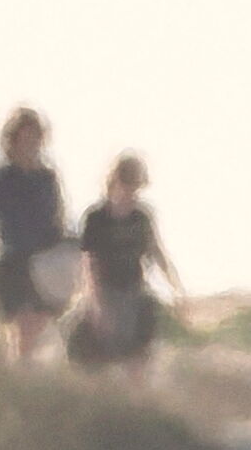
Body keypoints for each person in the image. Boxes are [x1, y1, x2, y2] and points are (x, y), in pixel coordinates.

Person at [66, 154, 189, 378]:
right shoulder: (96, 218)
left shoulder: (141, 218)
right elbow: (89, 263)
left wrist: (177, 288)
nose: (130, 192)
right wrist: (97, 304)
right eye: (127, 183)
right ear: (114, 182)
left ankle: (136, 394)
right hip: (105, 292)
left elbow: (157, 252)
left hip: (134, 291)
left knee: (139, 354)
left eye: (135, 185)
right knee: (89, 353)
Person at [0, 109, 71, 364]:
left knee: (39, 325)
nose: (31, 144)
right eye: (25, 138)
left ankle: (25, 372)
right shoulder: (0, 178)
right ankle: (19, 375)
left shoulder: (47, 178)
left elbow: (59, 219)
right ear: (12, 140)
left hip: (45, 262)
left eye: (35, 137)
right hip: (12, 260)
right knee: (22, 327)